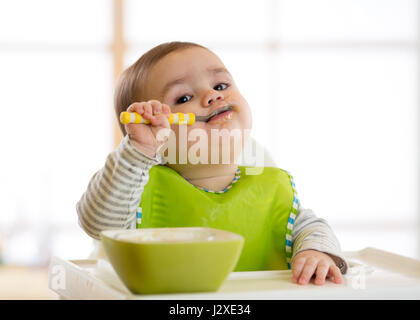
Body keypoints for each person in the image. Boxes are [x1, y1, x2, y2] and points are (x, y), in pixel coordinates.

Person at [77, 41, 348, 286]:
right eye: (183, 98)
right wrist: (137, 151)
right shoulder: (137, 196)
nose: (212, 95)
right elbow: (98, 225)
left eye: (221, 86)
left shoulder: (272, 189)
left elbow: (314, 229)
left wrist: (316, 253)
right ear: (154, 136)